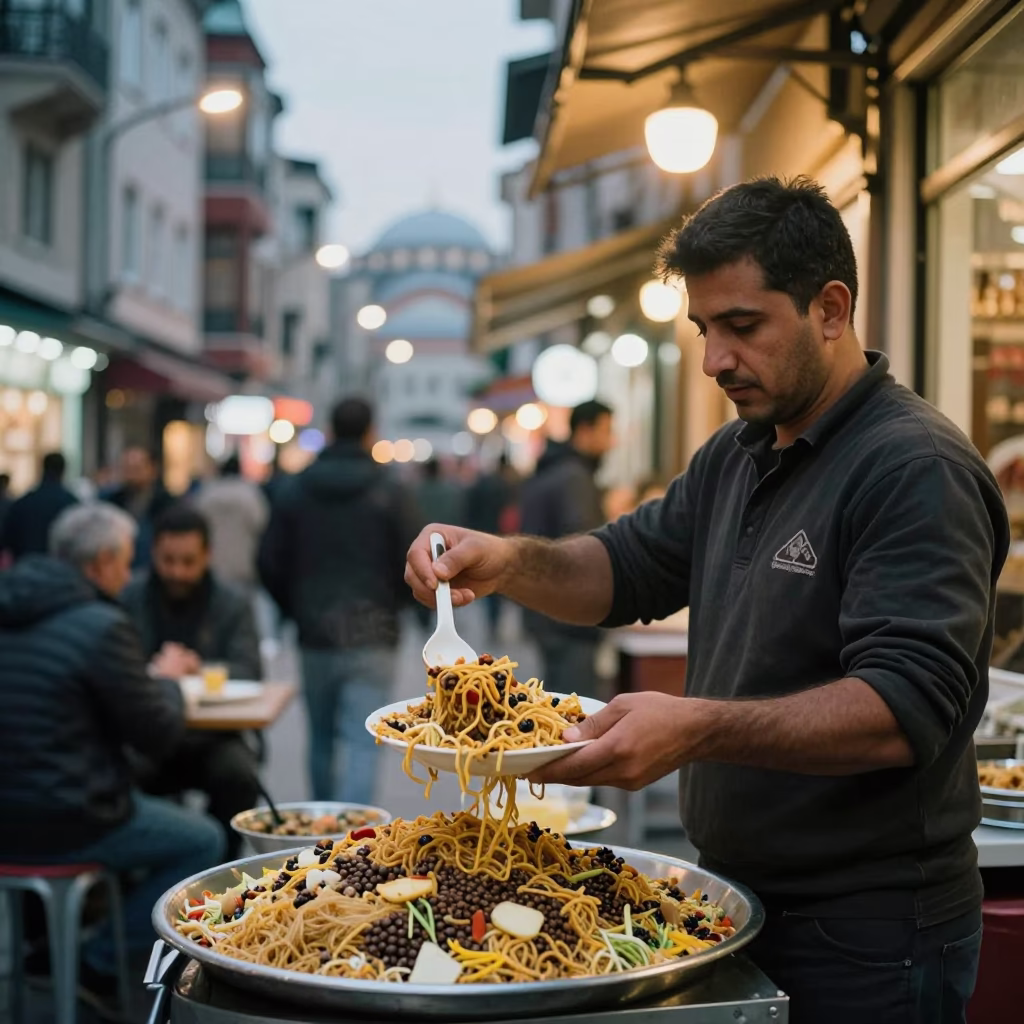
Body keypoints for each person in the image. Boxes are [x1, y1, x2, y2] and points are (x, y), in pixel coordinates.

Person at [404, 177, 1008, 1024]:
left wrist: (696, 728)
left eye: (743, 326)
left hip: (871, 931)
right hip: (734, 893)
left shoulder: (914, 469)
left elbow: (904, 710)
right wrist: (506, 562)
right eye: (703, 330)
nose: (713, 360)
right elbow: (623, 569)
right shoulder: (737, 452)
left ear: (831, 310)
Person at [0, 503, 223, 1010]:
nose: (128, 574)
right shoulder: (100, 624)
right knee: (202, 840)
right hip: (72, 820)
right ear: (102, 562)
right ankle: (96, 961)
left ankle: (50, 949)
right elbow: (158, 733)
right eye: (125, 562)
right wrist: (168, 681)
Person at [259, 397, 417, 804]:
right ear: (370, 432)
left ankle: (322, 830)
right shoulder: (389, 490)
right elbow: (411, 557)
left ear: (329, 431)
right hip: (375, 630)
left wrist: (294, 607)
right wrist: (398, 605)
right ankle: (355, 835)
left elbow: (269, 561)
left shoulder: (296, 488)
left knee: (321, 739)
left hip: (315, 632)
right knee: (364, 741)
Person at [121, 504, 262, 858]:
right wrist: (156, 671)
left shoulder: (232, 602)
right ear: (153, 553)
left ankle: (221, 866)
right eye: (168, 560)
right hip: (146, 734)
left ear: (207, 555)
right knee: (116, 775)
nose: (177, 572)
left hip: (214, 736)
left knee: (239, 776)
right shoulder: (130, 596)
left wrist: (199, 669)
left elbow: (250, 670)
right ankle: (143, 869)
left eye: (188, 562)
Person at [519, 399, 615, 696]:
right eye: (607, 431)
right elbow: (583, 544)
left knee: (557, 695)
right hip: (569, 618)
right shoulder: (574, 478)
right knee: (574, 706)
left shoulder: (553, 470)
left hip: (546, 611)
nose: (612, 441)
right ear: (585, 431)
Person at [192, 454, 270, 597]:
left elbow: (195, 525)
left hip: (212, 563)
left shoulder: (207, 493)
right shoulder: (250, 494)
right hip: (243, 564)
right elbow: (262, 525)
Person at [465, 453, 520, 637]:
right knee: (499, 582)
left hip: (481, 538)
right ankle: (495, 621)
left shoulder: (482, 483)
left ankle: (491, 621)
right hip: (503, 540)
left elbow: (470, 511)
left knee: (487, 581)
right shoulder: (510, 486)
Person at [104, 446, 175, 568]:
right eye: (127, 469)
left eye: (137, 469)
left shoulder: (167, 504)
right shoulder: (110, 502)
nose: (131, 475)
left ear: (152, 469)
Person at [1, 452, 78, 559]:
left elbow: (7, 540)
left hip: (25, 563)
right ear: (63, 470)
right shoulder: (72, 504)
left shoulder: (22, 503)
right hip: (60, 565)